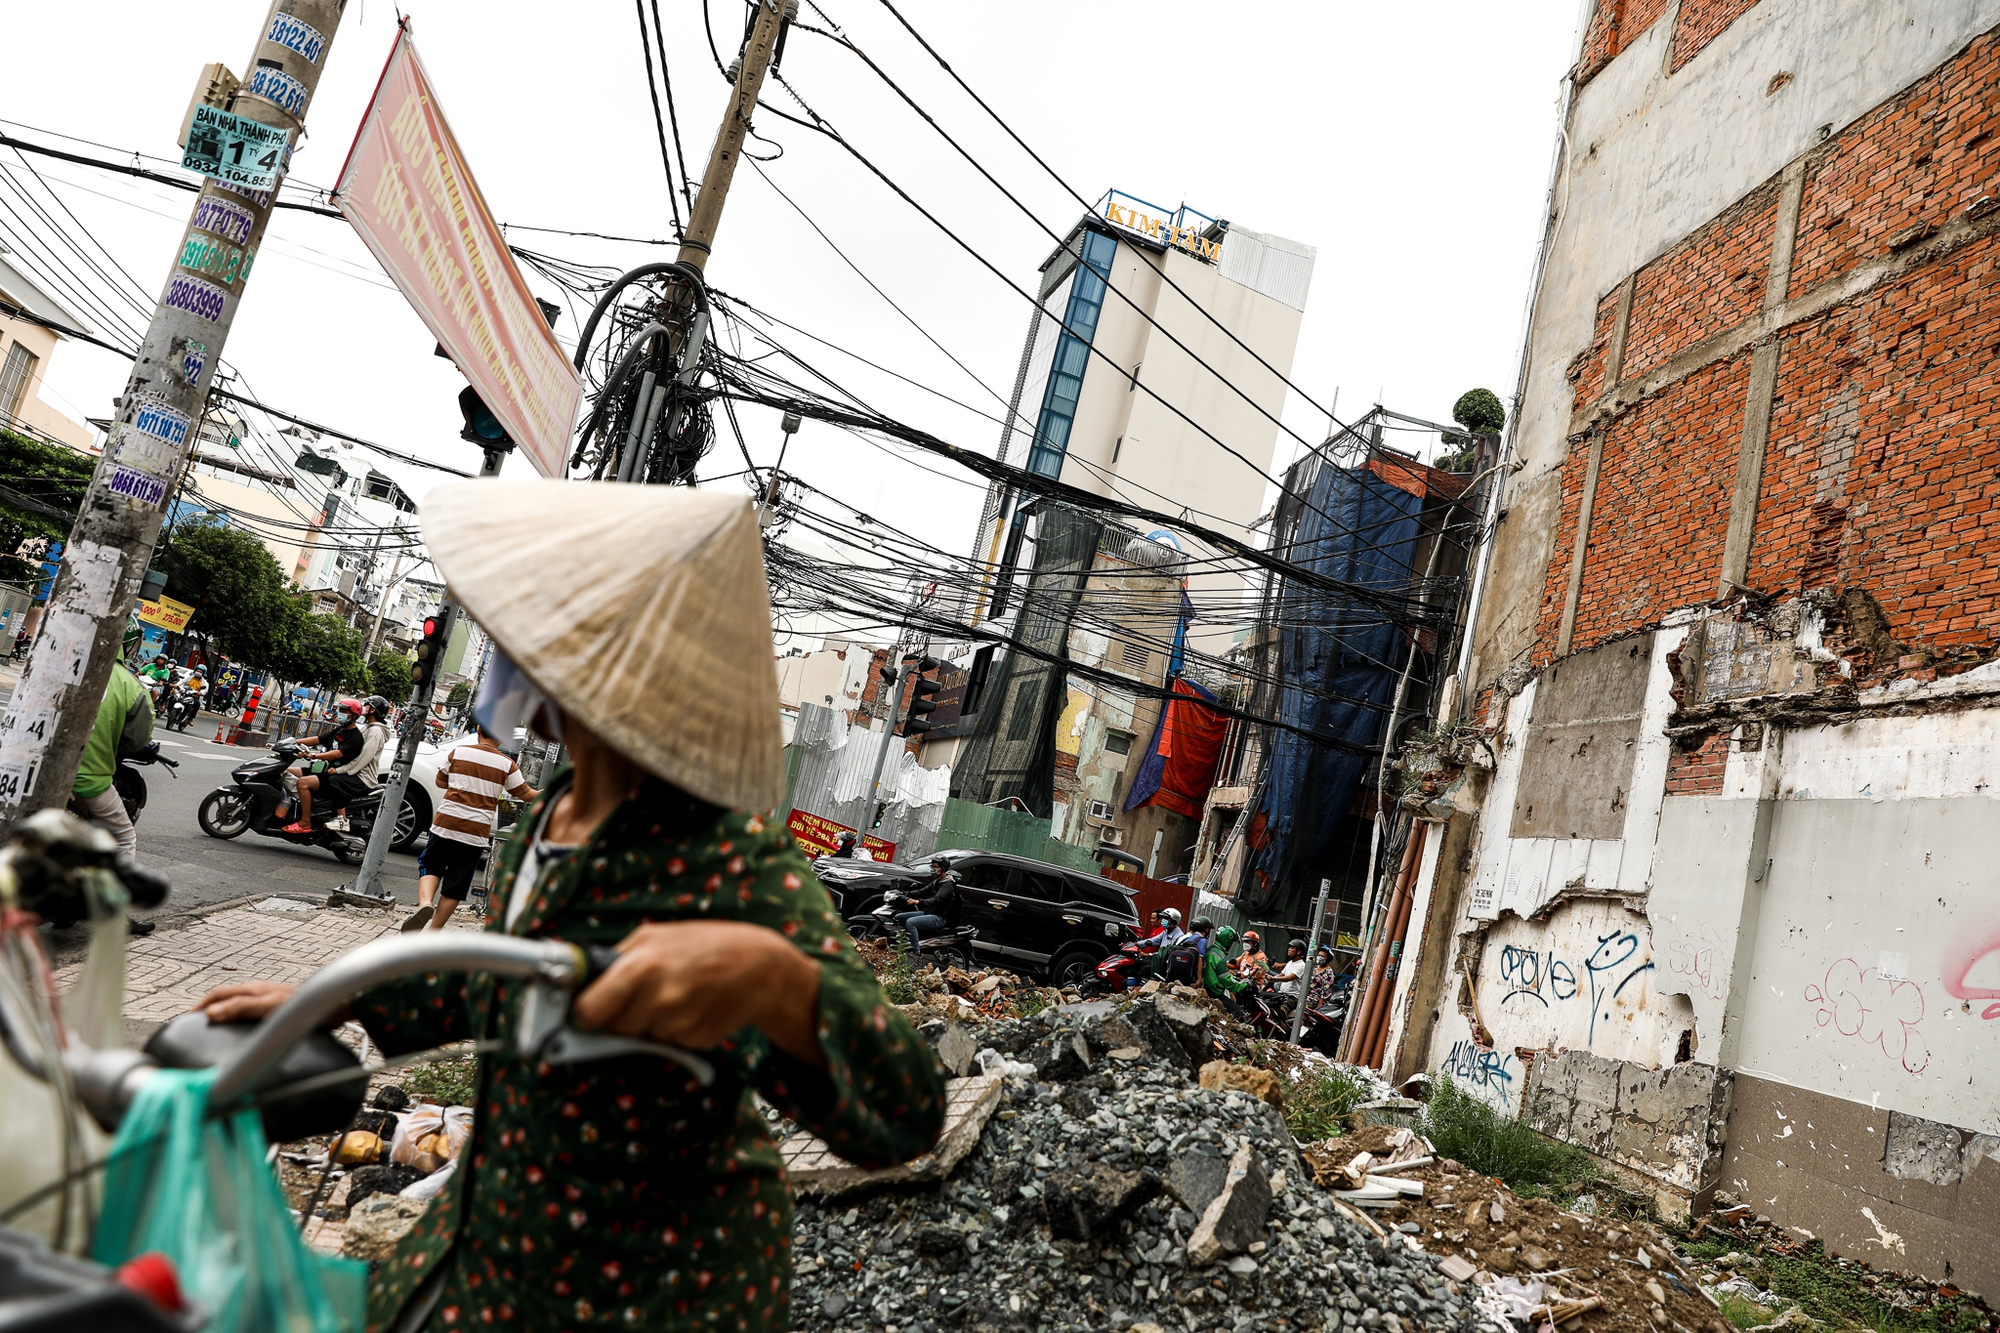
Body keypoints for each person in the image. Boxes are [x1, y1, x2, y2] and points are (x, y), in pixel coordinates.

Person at [193, 480, 945, 1330]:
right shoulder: (558, 809)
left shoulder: (732, 865)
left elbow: (905, 1112)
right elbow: (501, 986)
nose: (512, 653)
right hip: (505, 1224)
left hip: (661, 1284)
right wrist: (332, 1000)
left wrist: (775, 983)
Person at [404, 724, 537, 932]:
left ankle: (426, 903)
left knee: (431, 865)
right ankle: (433, 932)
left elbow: (440, 781)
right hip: (476, 832)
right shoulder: (507, 764)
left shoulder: (459, 752)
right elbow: (526, 794)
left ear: (478, 729)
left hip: (446, 823)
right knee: (456, 884)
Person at [70, 661, 153, 865]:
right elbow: (137, 739)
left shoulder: (53, 656)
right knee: (124, 838)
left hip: (21, 766)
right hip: (85, 778)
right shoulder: (128, 682)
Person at [273, 698, 364, 830]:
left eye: (344, 711)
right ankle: (288, 808)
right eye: (340, 710)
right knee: (283, 771)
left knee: (303, 783)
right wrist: (293, 743)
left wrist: (313, 755)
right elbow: (318, 739)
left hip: (332, 774)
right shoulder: (340, 730)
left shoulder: (356, 737)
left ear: (354, 715)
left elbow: (338, 753)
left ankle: (305, 821)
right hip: (321, 769)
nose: (340, 714)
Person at [312, 695, 392, 833]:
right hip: (356, 772)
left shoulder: (375, 732)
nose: (364, 708)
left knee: (335, 780)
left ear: (373, 710)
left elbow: (363, 758)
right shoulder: (368, 728)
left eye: (367, 705)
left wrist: (340, 770)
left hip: (363, 777)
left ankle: (341, 820)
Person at [894, 855, 958, 951]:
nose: (932, 869)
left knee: (911, 923)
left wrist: (917, 901)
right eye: (931, 867)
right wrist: (904, 893)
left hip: (939, 917)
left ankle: (916, 951)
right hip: (929, 913)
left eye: (935, 867)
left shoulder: (947, 884)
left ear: (943, 869)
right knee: (898, 917)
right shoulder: (936, 881)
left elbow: (935, 900)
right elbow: (922, 891)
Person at [1202, 924, 1252, 1015]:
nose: (1232, 945)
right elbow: (1227, 981)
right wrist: (1243, 985)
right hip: (1214, 992)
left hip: (1207, 987)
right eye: (1232, 942)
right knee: (1237, 1011)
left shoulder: (1212, 949)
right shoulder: (1219, 956)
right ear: (1227, 941)